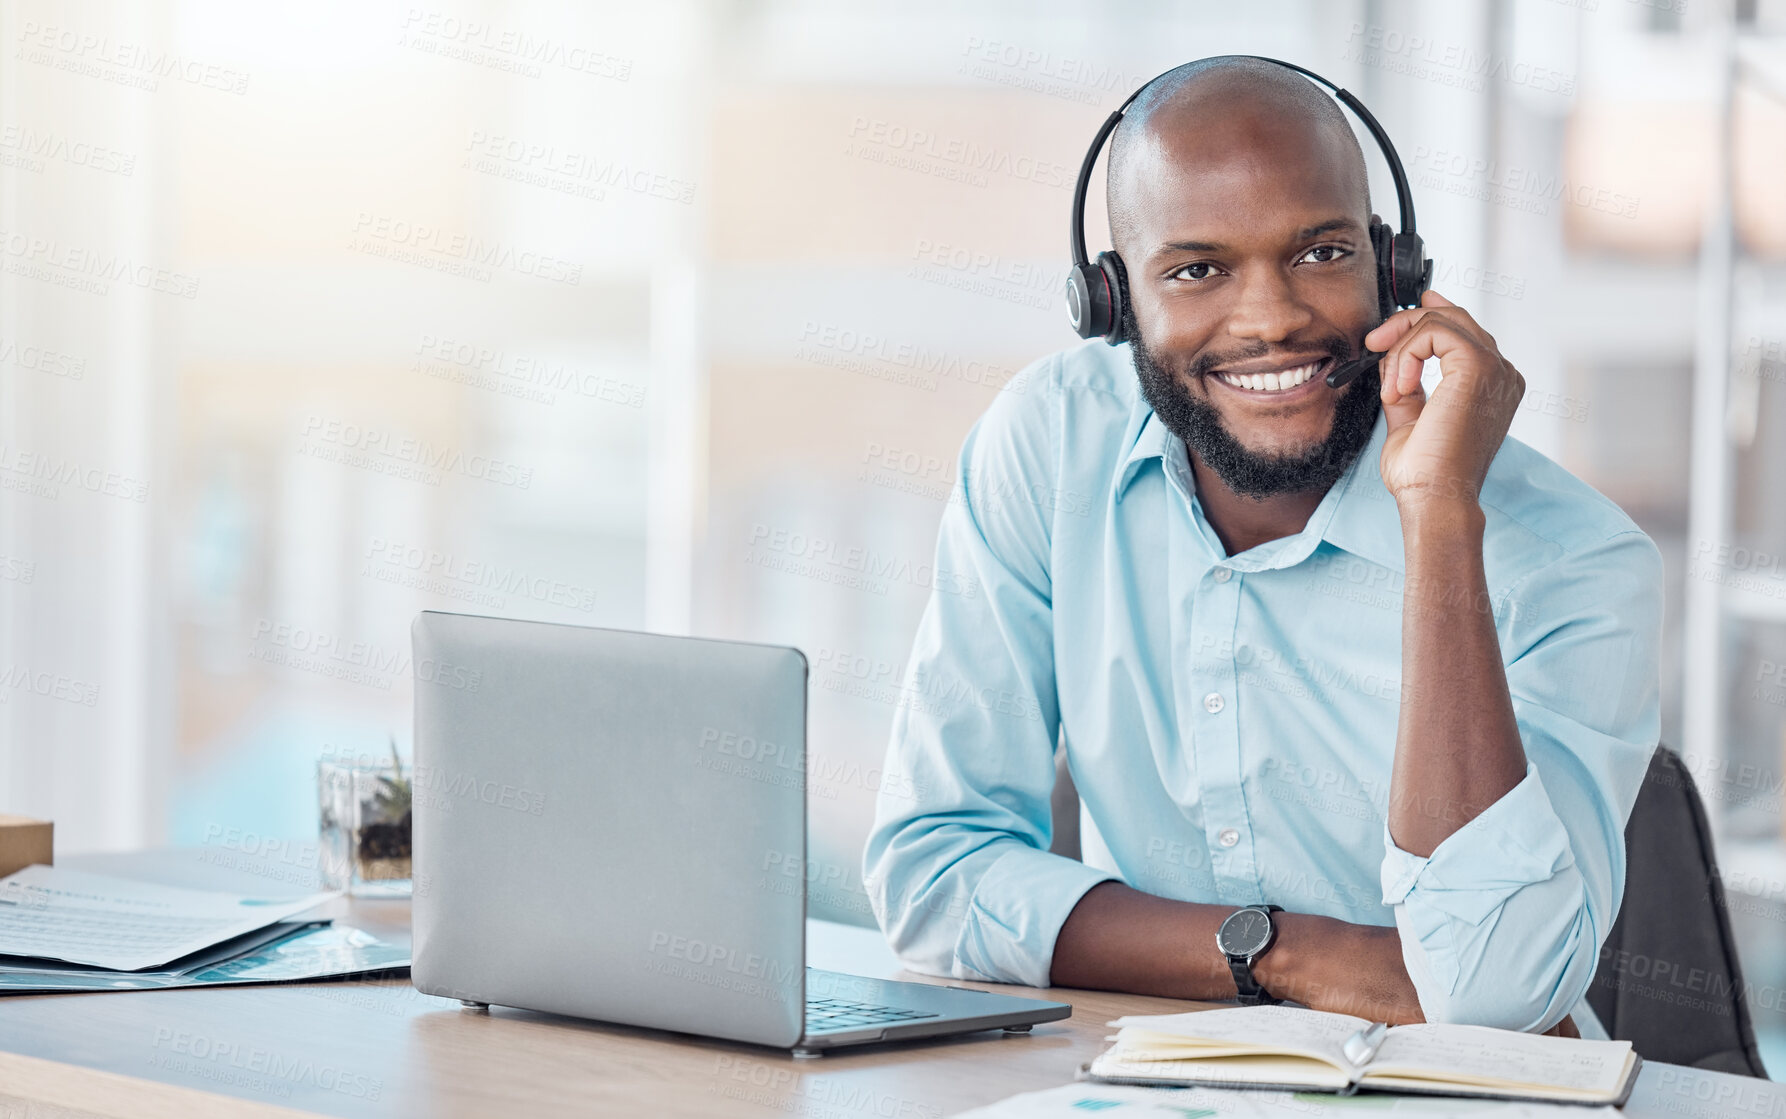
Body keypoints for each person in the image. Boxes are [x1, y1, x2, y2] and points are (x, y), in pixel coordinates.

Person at [863, 56, 1660, 1035]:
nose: (1272, 319)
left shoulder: (1577, 564)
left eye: (1321, 254)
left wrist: (1441, 517)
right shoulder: (1049, 446)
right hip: (1160, 1076)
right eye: (1197, 270)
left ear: (1395, 269)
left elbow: (1485, 998)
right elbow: (933, 874)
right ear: (1111, 301)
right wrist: (1282, 956)